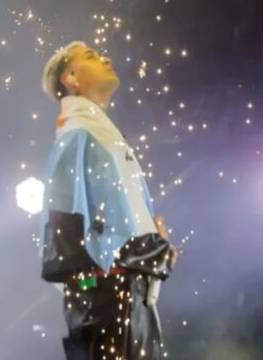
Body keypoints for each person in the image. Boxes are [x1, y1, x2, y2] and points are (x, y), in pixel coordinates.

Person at [38, 41, 179, 360]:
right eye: (90, 56)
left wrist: (157, 251)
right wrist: (151, 251)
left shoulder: (104, 136)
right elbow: (70, 242)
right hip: (109, 298)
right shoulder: (78, 136)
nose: (105, 58)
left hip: (131, 293)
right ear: (71, 78)